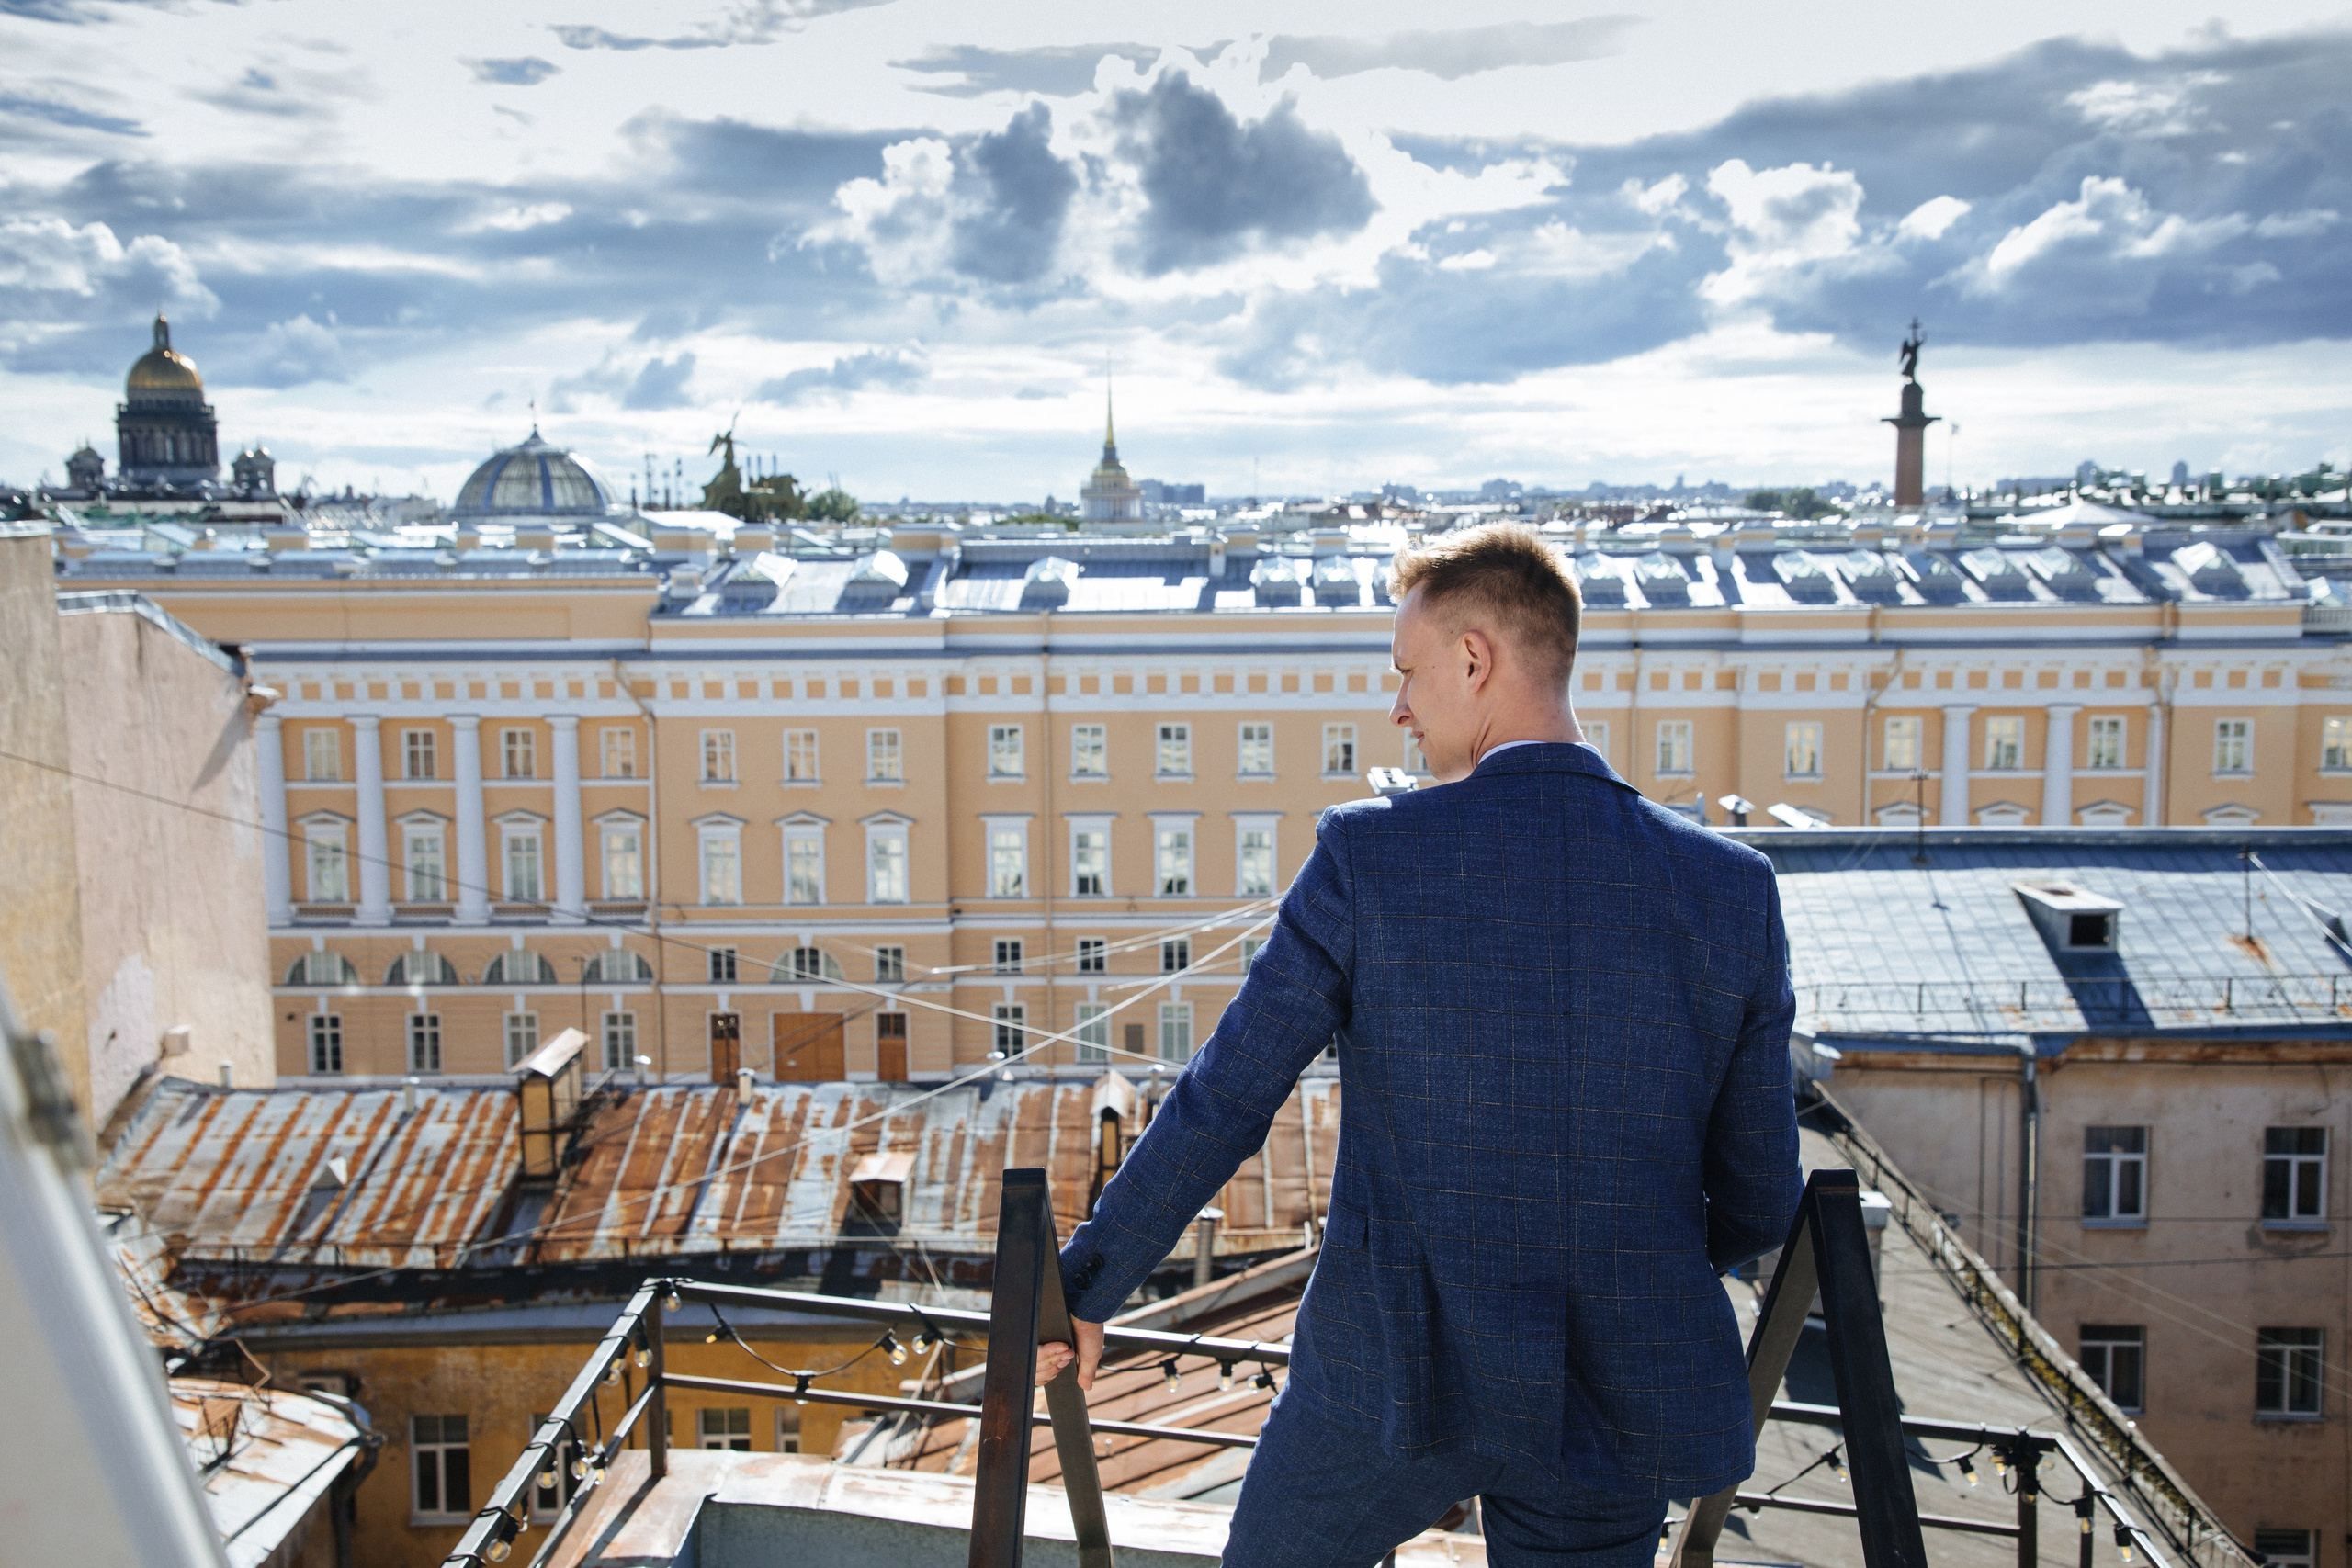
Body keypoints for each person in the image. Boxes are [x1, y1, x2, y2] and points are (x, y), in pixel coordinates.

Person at [1039, 522, 1802, 1567]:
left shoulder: (1371, 856)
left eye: (1406, 673)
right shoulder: (1732, 890)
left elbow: (1227, 1097)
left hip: (1392, 1372)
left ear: (1475, 659)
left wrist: (1085, 1288)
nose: (1397, 708)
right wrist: (1632, 1259)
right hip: (1618, 1384)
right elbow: (1762, 1193)